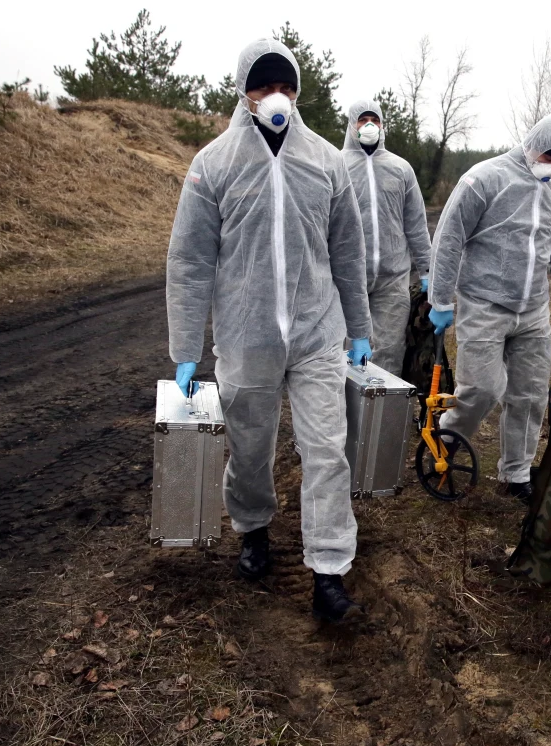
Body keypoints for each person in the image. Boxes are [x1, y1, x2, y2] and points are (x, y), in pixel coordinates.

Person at [167, 38, 372, 624]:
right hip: (245, 334)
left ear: (298, 92)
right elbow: (189, 260)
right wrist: (185, 346)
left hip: (315, 335)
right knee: (251, 451)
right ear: (243, 91)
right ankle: (254, 531)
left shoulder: (326, 162)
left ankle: (329, 573)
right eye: (262, 85)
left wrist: (358, 326)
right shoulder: (213, 165)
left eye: (285, 85)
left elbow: (349, 253)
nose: (274, 96)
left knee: (327, 450)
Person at [427, 113, 551, 503]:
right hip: (483, 303)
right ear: (531, 143)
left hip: (532, 311)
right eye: (548, 154)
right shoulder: (484, 179)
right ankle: (446, 440)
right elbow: (448, 238)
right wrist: (441, 299)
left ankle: (515, 473)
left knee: (529, 396)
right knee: (482, 389)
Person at [341, 99, 433, 374]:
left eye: (376, 119)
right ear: (351, 124)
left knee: (390, 351)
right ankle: (343, 415)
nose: (369, 125)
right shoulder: (336, 165)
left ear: (382, 125)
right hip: (346, 279)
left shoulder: (401, 169)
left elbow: (416, 223)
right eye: (362, 119)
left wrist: (428, 271)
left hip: (392, 280)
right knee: (343, 353)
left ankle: (380, 414)